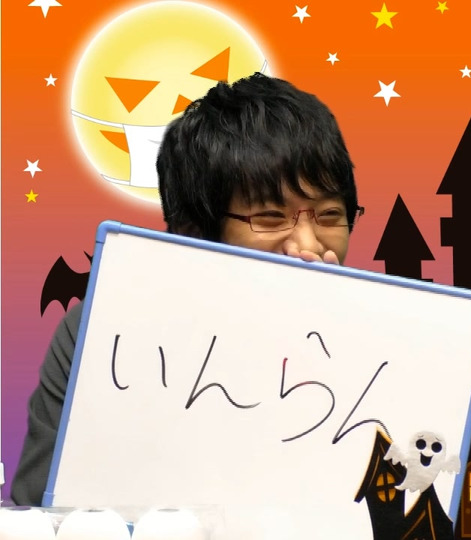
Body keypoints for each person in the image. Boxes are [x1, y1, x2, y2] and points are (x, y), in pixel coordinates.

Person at [11, 72, 362, 505]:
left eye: (329, 216)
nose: (308, 246)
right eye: (270, 218)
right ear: (193, 232)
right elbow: (41, 511)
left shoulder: (387, 338)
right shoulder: (101, 332)